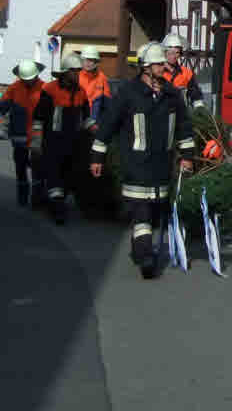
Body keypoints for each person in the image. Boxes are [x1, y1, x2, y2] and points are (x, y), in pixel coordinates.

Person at [90, 42, 196, 280]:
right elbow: (108, 125)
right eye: (158, 64)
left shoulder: (172, 95)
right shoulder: (128, 93)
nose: (163, 67)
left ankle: (140, 247)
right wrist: (97, 156)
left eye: (162, 63)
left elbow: (184, 126)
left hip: (161, 165)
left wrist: (187, 156)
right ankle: (146, 256)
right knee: (142, 212)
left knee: (154, 212)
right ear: (146, 67)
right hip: (136, 165)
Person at [34, 52, 90, 225]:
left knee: (67, 176)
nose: (77, 74)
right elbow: (38, 118)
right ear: (65, 72)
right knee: (54, 175)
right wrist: (36, 142)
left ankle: (56, 201)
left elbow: (86, 118)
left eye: (78, 71)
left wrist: (96, 131)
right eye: (74, 71)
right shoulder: (49, 90)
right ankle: (57, 209)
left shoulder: (81, 92)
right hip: (53, 142)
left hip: (73, 143)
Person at [0, 60, 46, 207]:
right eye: (25, 79)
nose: (27, 82)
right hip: (19, 136)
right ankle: (22, 197)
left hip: (37, 137)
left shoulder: (45, 88)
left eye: (30, 79)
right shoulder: (14, 88)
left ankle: (37, 199)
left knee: (37, 169)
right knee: (21, 168)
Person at [161, 32, 206, 110]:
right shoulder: (157, 71)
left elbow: (195, 94)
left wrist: (199, 107)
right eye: (171, 52)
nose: (174, 56)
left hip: (180, 113)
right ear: (164, 52)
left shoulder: (187, 73)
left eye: (177, 52)